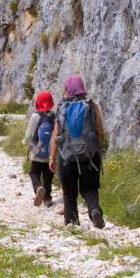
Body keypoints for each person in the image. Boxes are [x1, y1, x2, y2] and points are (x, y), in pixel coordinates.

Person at [49, 75, 106, 228]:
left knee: (69, 193)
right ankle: (94, 209)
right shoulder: (92, 106)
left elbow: (56, 135)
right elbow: (100, 131)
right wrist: (97, 147)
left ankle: (72, 223)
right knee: (90, 188)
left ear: (66, 88)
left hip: (66, 157)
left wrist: (51, 158)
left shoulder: (61, 107)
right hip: (89, 156)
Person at [23, 91, 56, 207]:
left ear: (38, 103)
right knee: (48, 176)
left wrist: (24, 142)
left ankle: (38, 187)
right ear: (51, 103)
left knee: (34, 172)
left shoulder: (34, 116)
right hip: (50, 154)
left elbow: (29, 133)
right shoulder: (54, 116)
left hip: (36, 152)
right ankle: (47, 199)